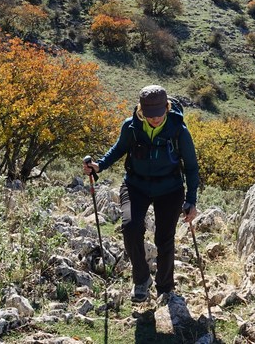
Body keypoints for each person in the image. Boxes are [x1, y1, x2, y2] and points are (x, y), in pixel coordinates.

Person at [83, 84, 200, 303]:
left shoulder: (179, 130)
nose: (155, 119)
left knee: (164, 238)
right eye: (149, 115)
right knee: (130, 227)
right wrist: (99, 166)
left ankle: (165, 288)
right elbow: (118, 149)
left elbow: (192, 167)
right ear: (141, 109)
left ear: (167, 107)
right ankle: (141, 280)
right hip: (135, 185)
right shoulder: (131, 127)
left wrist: (191, 200)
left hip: (170, 189)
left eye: (159, 114)